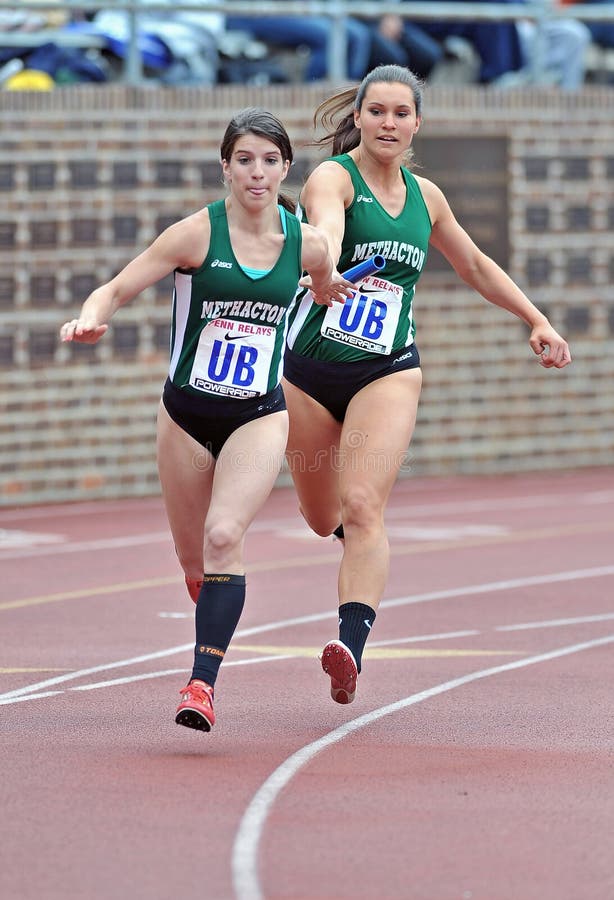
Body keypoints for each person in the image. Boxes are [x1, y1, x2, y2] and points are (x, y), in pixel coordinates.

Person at [282, 64, 572, 706]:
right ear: (356, 116)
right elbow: (324, 226)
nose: (388, 124)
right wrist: (324, 265)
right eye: (377, 111)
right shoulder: (335, 177)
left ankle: (349, 646)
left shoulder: (426, 197)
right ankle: (350, 545)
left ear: (418, 124)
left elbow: (472, 263)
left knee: (363, 509)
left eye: (401, 114)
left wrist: (535, 318)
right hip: (307, 372)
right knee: (320, 515)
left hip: (386, 369)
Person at [59, 107, 355, 733]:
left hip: (258, 416)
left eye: (270, 161)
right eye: (244, 159)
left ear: (285, 169)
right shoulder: (195, 234)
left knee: (226, 536)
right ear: (225, 166)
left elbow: (324, 276)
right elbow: (115, 288)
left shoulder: (305, 242)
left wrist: (326, 290)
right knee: (197, 561)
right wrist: (90, 317)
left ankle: (202, 684)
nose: (257, 172)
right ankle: (210, 596)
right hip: (186, 417)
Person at [225, 1, 372, 82]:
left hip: (295, 10)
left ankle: (351, 95)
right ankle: (313, 91)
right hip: (253, 13)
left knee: (359, 35)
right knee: (330, 36)